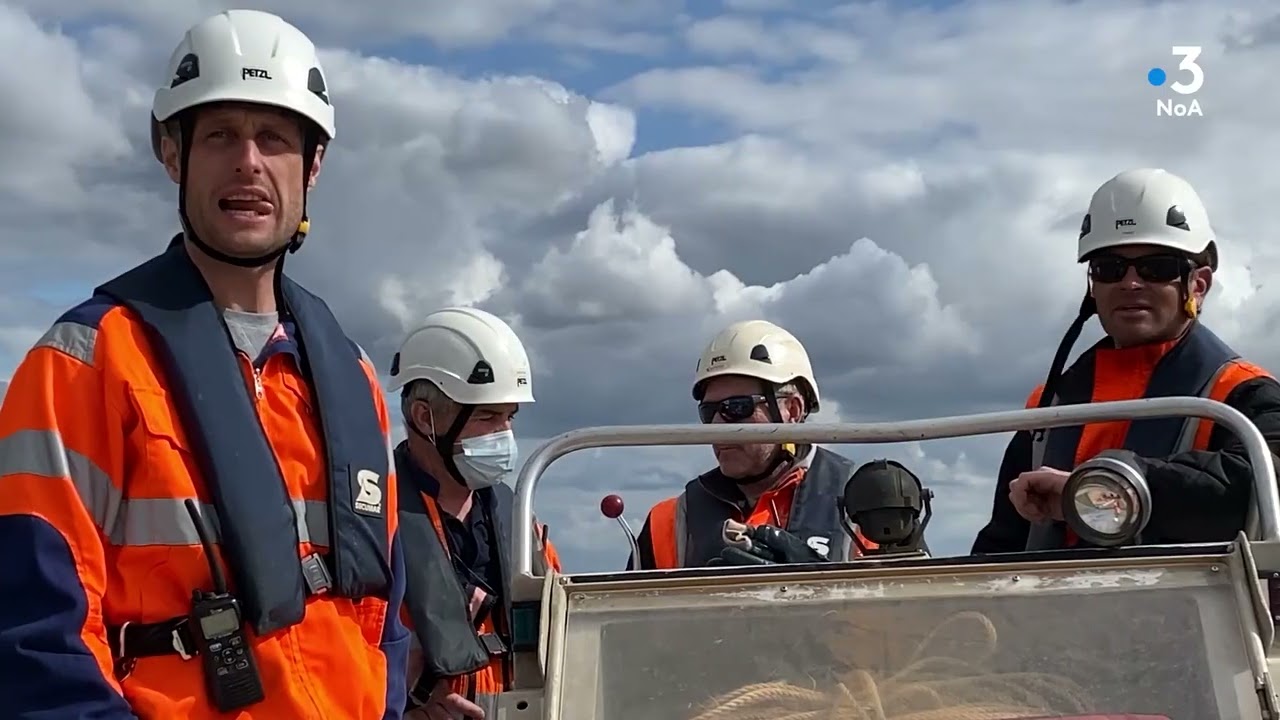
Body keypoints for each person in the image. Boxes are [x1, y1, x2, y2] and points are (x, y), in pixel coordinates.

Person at [0, 9, 409, 718]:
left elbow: (385, 623)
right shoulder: (85, 362)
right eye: (220, 134)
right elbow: (34, 638)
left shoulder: (354, 377)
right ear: (172, 154)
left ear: (312, 165)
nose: (248, 161)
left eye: (275, 138)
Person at [971, 167, 1280, 553]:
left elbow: (1256, 489)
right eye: (1109, 268)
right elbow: (1002, 543)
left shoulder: (1243, 395)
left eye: (1157, 267)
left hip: (1200, 609)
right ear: (1093, 288)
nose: (1130, 282)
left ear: (1198, 285)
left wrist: (1104, 486)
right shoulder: (1047, 407)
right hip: (1054, 608)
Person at [387, 306, 562, 720]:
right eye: (487, 416)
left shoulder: (519, 523)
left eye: (509, 417)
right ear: (423, 417)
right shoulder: (373, 520)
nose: (505, 435)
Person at [630, 320, 877, 569]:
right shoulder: (666, 522)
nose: (717, 425)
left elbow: (905, 603)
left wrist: (820, 583)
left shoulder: (867, 505)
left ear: (792, 409)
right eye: (709, 411)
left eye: (737, 407)